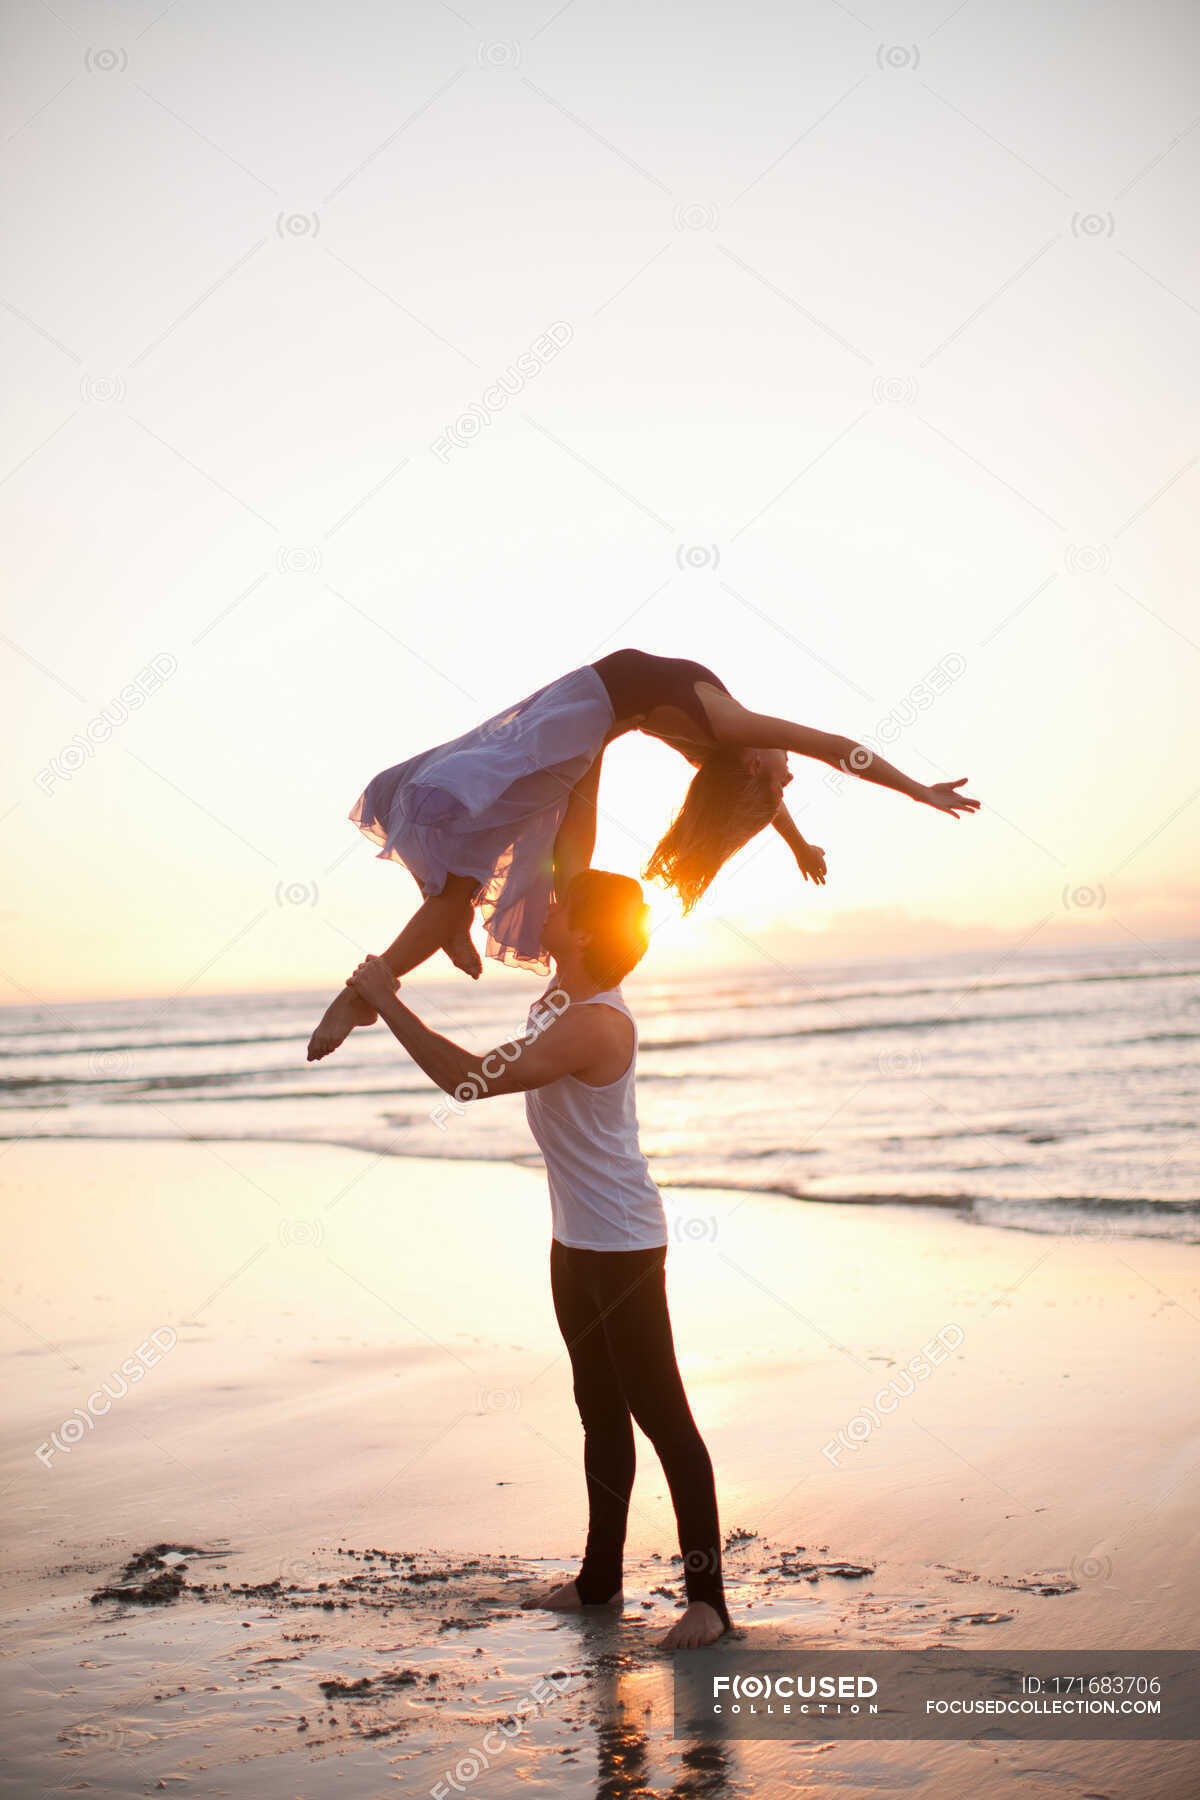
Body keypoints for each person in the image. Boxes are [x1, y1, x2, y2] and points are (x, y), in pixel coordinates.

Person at [344, 868, 733, 1650]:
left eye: (560, 908)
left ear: (587, 933)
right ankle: (599, 1582)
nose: (545, 909)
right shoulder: (559, 997)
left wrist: (387, 1000)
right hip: (575, 1239)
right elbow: (546, 867)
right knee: (597, 1409)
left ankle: (709, 1602)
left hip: (623, 1242)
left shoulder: (594, 1024)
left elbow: (468, 1082)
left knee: (662, 1417)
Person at [309, 647, 979, 1059]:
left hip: (579, 723)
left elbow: (833, 746)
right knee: (471, 827)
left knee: (468, 817)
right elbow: (768, 795)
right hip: (582, 721)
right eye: (784, 780)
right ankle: (445, 923)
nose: (790, 776)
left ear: (750, 767)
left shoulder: (731, 732)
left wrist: (918, 791)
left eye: (779, 776)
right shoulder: (727, 750)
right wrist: (800, 844)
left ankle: (368, 990)